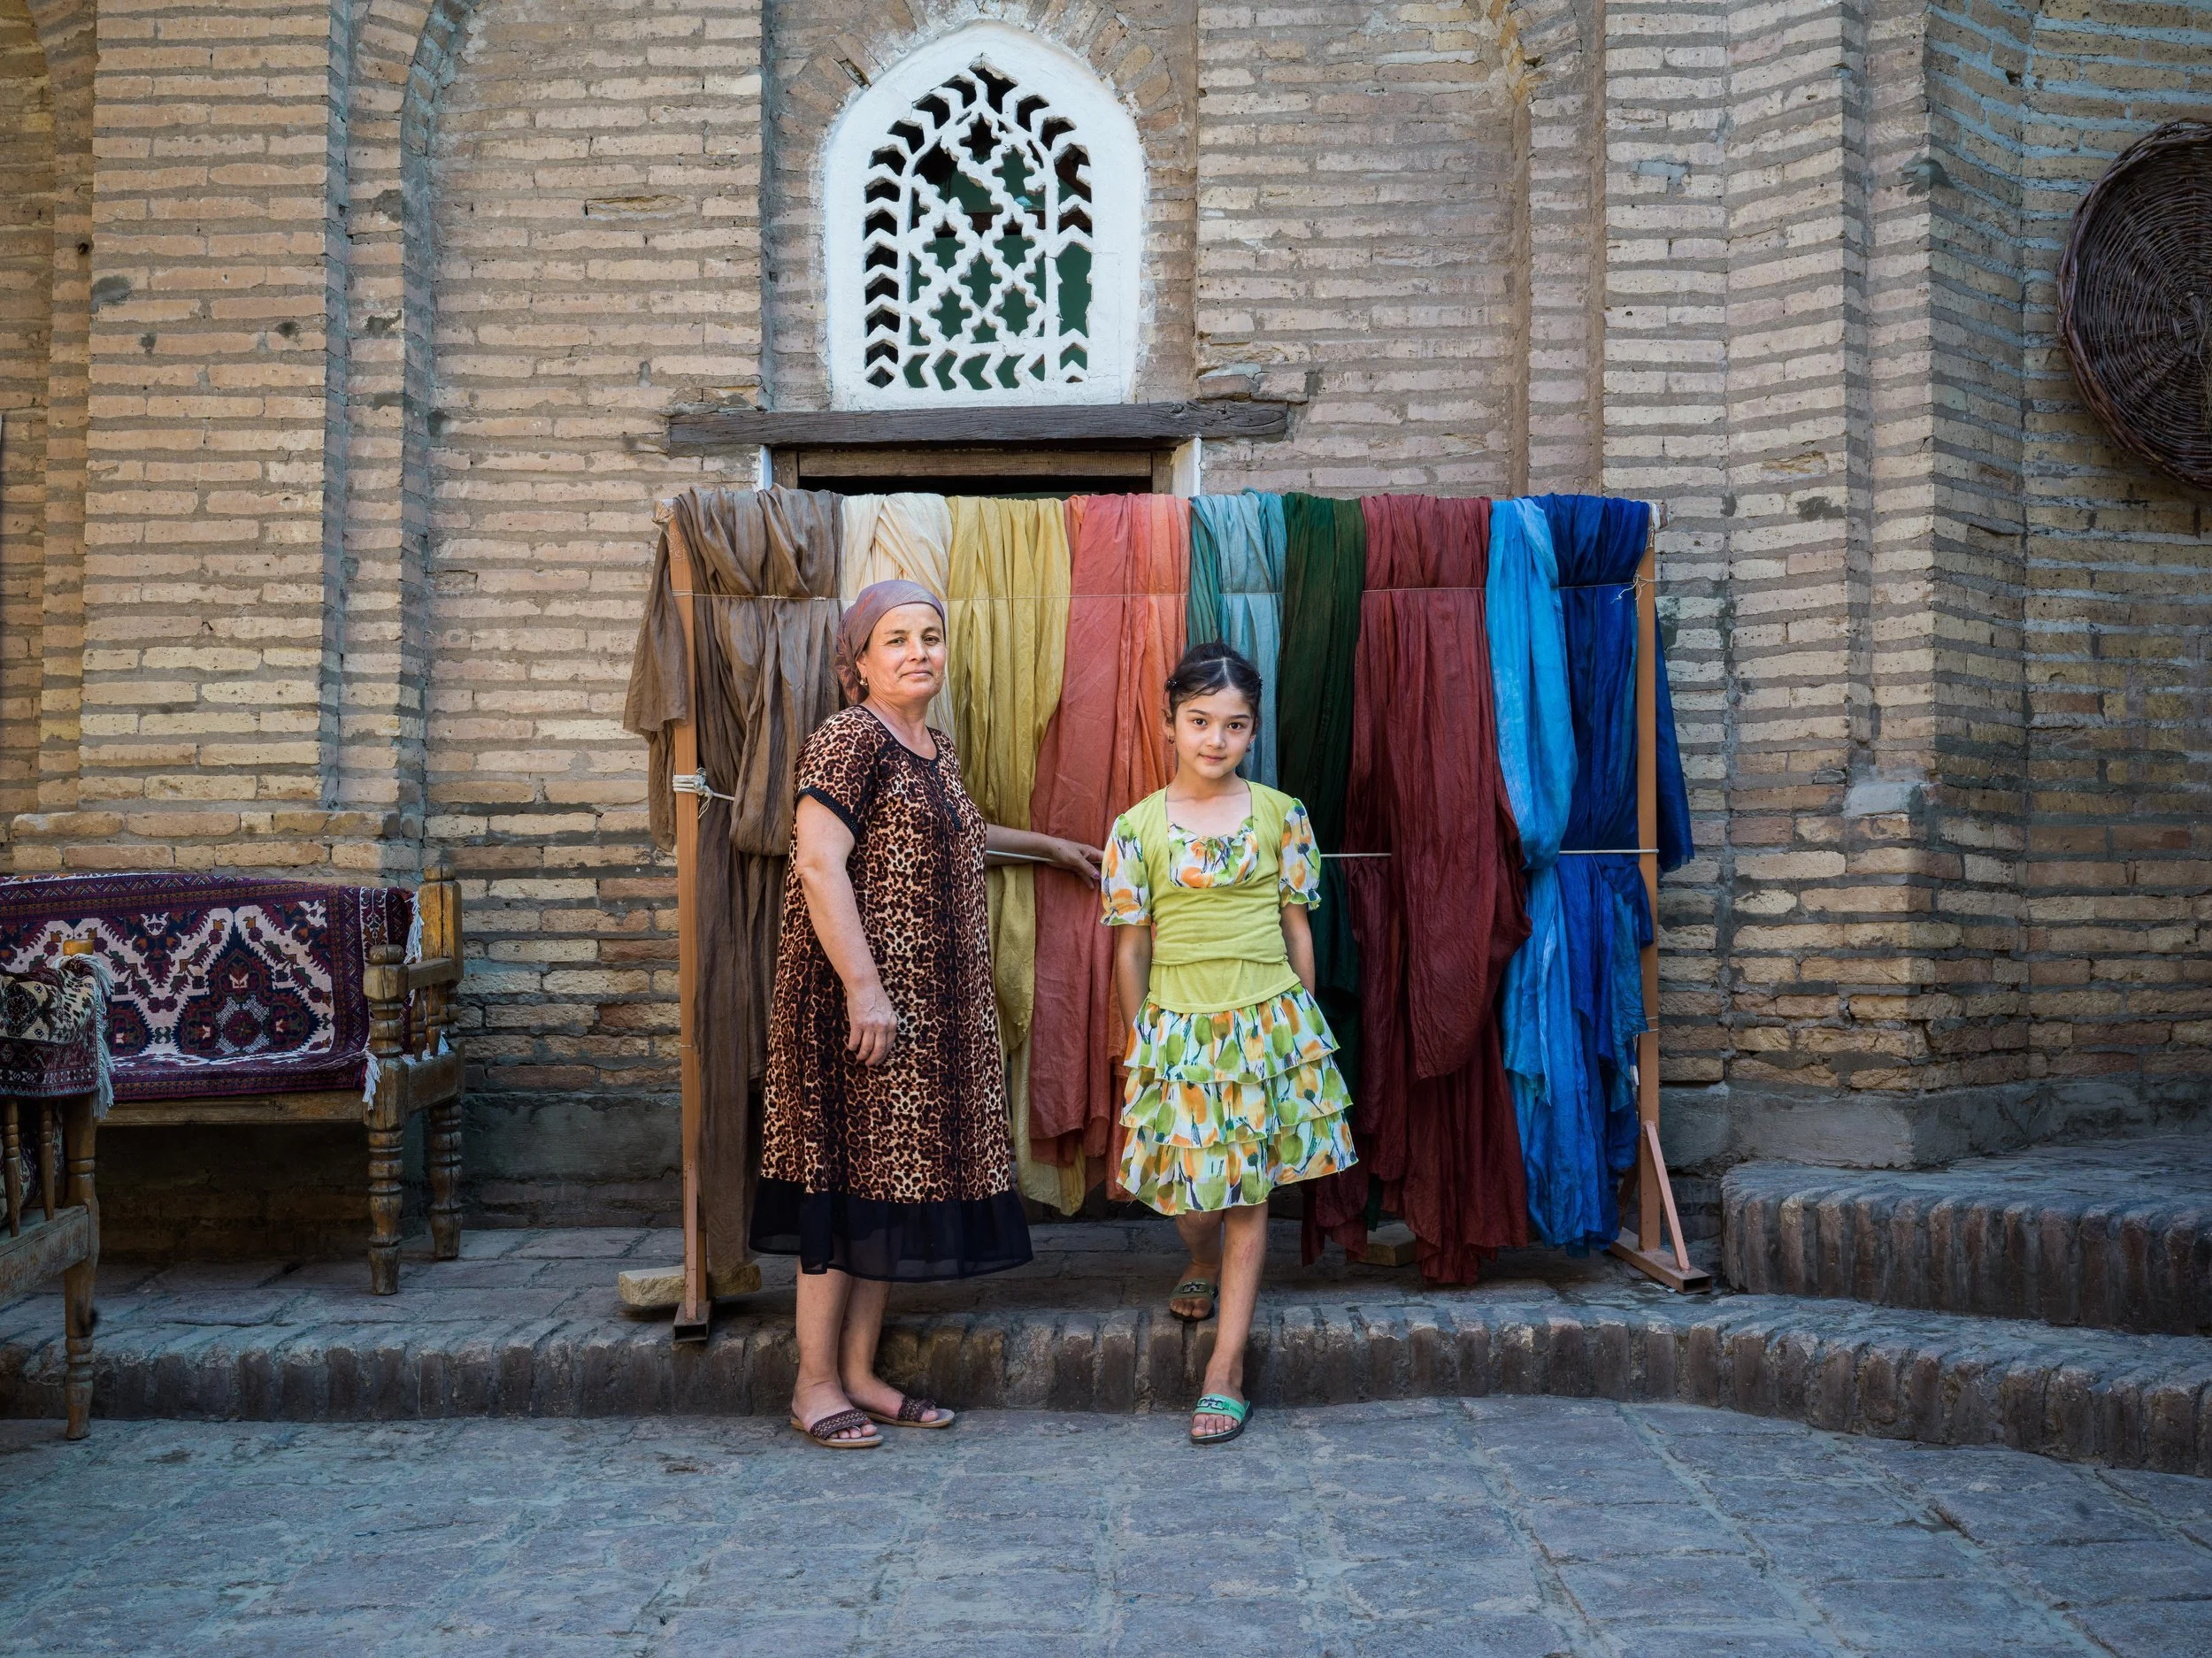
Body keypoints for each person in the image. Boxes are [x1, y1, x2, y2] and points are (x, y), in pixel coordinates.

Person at [753, 579, 1102, 1449]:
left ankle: (861, 1372)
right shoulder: (849, 738)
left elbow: (959, 834)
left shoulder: (931, 747)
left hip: (924, 1013)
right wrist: (865, 989)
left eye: (931, 637)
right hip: (856, 1009)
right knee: (841, 1187)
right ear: (859, 662)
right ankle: (813, 1384)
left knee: (888, 1185)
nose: (919, 652)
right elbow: (819, 864)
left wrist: (1049, 846)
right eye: (897, 639)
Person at [1102, 640, 1358, 1445]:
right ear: (1170, 722)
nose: (1217, 739)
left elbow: (1297, 928)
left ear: (1254, 730)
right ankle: (1201, 1259)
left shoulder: (1282, 814)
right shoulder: (1137, 827)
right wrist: (1143, 1039)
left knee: (1249, 1196)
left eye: (1235, 725)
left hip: (1263, 1024)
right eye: (1200, 721)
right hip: (1178, 1027)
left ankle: (1226, 1368)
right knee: (1193, 1198)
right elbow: (1131, 948)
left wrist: (1299, 1031)